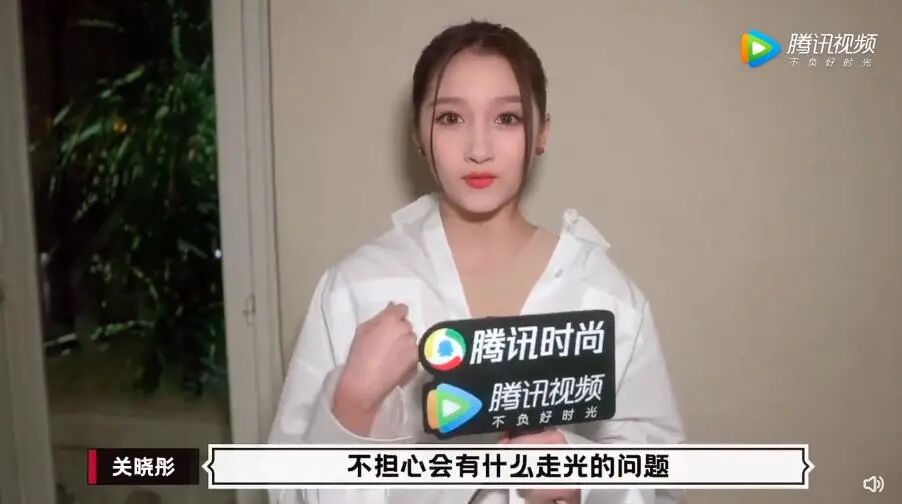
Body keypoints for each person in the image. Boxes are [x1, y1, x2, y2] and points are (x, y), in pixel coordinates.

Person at [268, 19, 685, 504]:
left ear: (543, 132)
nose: (479, 150)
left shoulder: (608, 299)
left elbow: (663, 482)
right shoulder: (354, 290)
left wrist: (581, 477)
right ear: (419, 133)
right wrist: (350, 408)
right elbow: (284, 488)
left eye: (507, 119)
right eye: (450, 118)